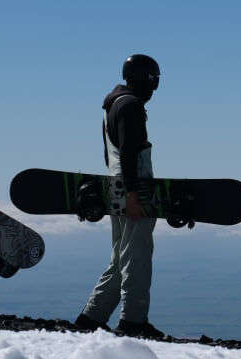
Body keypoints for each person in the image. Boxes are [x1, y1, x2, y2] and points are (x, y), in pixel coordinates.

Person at [75, 54, 164, 338]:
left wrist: (121, 192)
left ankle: (92, 316)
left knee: (119, 257)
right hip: (133, 190)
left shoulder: (112, 105)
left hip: (116, 188)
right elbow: (128, 153)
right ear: (147, 79)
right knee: (137, 255)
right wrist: (134, 195)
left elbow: (109, 154)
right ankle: (133, 321)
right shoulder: (131, 106)